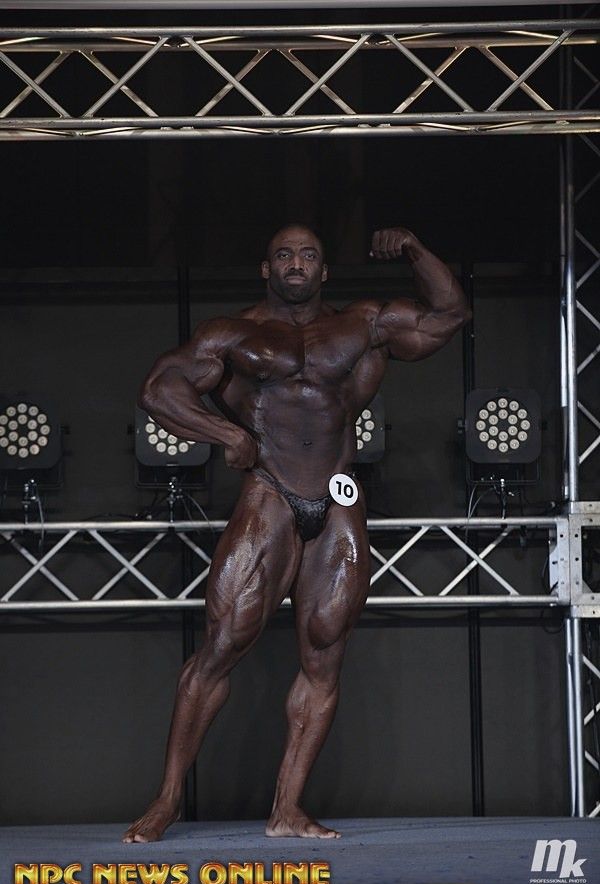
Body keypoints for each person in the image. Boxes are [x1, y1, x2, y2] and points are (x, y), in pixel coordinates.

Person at [123, 223, 470, 843]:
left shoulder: (363, 325)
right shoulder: (234, 333)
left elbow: (449, 315)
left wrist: (415, 250)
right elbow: (159, 388)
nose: (296, 263)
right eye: (283, 254)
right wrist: (225, 433)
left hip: (337, 495)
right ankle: (167, 799)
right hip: (270, 492)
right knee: (223, 644)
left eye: (308, 254)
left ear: (324, 270)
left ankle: (287, 809)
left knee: (325, 650)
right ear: (266, 268)